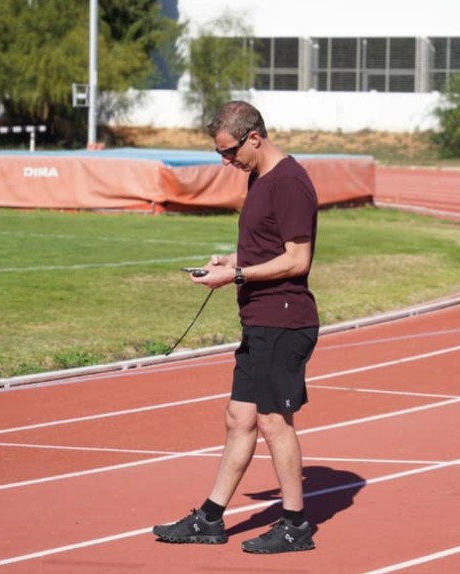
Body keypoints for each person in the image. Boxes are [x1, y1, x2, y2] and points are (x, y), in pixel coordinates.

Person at [153, 101, 320, 554]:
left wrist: (238, 275)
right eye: (219, 153)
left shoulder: (289, 182)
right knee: (238, 418)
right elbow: (266, 247)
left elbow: (298, 260)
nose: (226, 161)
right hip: (259, 318)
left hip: (283, 318)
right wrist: (230, 261)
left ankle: (295, 525)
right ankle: (210, 518)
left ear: (254, 138)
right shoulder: (258, 178)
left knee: (272, 420)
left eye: (229, 152)